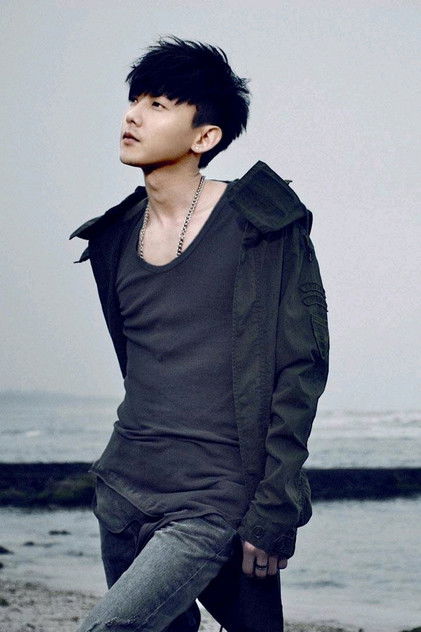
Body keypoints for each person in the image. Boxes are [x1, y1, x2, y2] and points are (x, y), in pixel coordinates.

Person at [70, 36, 329, 632]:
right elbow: (141, 365)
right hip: (122, 492)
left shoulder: (263, 225)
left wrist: (275, 507)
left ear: (204, 136)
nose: (133, 116)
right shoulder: (114, 239)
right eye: (135, 100)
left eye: (158, 105)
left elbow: (300, 370)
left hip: (211, 502)